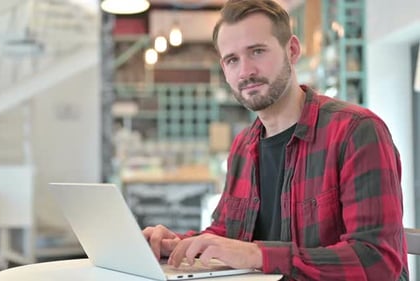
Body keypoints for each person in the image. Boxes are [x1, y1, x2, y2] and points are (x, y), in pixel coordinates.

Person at [142, 0, 409, 280]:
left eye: (257, 51)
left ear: (292, 50)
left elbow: (378, 260)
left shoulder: (356, 131)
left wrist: (257, 254)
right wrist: (178, 245)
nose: (245, 71)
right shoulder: (243, 146)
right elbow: (226, 235)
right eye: (232, 59)